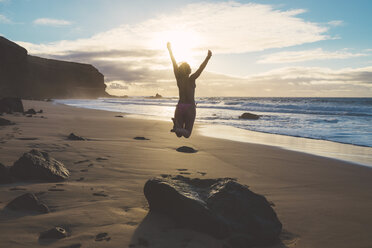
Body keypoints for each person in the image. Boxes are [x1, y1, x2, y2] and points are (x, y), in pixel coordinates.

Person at [167, 42, 212, 138]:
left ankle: (178, 127)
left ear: (179, 70)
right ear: (189, 70)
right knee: (187, 134)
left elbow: (173, 62)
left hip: (180, 106)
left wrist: (170, 50)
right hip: (190, 107)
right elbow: (201, 68)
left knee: (179, 134)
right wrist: (207, 58)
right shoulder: (192, 79)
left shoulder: (178, 79)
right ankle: (178, 128)